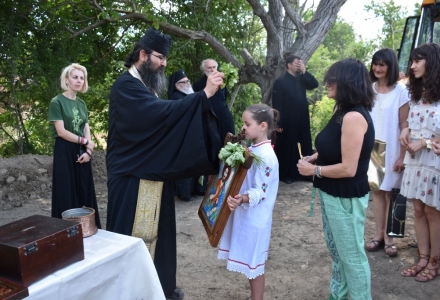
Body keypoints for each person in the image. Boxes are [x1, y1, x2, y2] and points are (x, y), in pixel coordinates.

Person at [106, 27, 224, 300]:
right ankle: (134, 291)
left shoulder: (145, 87)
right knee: (136, 236)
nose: (164, 64)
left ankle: (159, 286)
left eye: (165, 59)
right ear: (143, 54)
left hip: (151, 171)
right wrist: (202, 95)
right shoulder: (126, 85)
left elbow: (165, 120)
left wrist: (202, 99)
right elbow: (159, 114)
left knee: (159, 234)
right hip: (132, 176)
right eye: (160, 57)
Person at [298, 58, 375, 300]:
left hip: (346, 197)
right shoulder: (342, 111)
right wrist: (317, 157)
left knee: (351, 256)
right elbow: (337, 148)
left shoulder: (354, 117)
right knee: (338, 252)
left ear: (347, 82)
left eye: (332, 79)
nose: (327, 83)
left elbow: (349, 168)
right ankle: (338, 294)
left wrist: (315, 171)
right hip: (332, 194)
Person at [218, 104, 279, 300]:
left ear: (262, 126)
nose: (242, 128)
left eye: (247, 123)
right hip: (245, 213)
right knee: (251, 262)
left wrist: (242, 198)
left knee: (256, 263)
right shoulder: (251, 148)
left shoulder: (267, 155)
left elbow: (262, 190)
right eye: (242, 123)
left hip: (256, 218)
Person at [399, 43, 440, 282]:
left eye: (417, 61)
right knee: (418, 210)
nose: (412, 66)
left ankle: (435, 262)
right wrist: (404, 131)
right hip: (413, 158)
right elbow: (406, 123)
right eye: (412, 62)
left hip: (433, 159)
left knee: (433, 213)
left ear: (432, 62)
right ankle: (423, 258)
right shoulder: (415, 92)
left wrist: (424, 143)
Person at [364, 49, 410, 257]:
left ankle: (391, 238)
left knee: (393, 193)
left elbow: (404, 125)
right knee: (377, 193)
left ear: (391, 66)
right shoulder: (369, 89)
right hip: (374, 149)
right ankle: (378, 234)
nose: (378, 68)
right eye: (375, 64)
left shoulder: (402, 91)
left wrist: (402, 156)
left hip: (392, 149)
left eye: (383, 64)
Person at [48, 63, 101, 228]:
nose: (79, 80)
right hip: (64, 150)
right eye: (75, 77)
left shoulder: (82, 104)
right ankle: (66, 232)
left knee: (85, 190)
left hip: (81, 151)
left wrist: (89, 151)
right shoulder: (57, 102)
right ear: (66, 79)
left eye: (81, 78)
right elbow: (61, 131)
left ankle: (88, 228)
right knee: (66, 191)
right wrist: (85, 142)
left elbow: (86, 127)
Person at [271, 53, 319, 184]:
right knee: (288, 146)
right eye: (297, 63)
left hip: (302, 117)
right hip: (288, 119)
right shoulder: (280, 81)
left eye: (300, 63)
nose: (299, 65)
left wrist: (304, 71)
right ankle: (287, 174)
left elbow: (314, 84)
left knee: (306, 143)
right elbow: (277, 103)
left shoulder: (301, 78)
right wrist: (278, 122)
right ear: (289, 65)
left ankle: (307, 174)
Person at [193, 59, 235, 194]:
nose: (212, 70)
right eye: (209, 68)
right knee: (212, 148)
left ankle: (227, 179)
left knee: (227, 145)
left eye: (213, 67)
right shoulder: (199, 84)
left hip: (224, 119)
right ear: (204, 70)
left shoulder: (222, 81)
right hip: (209, 121)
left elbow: (224, 98)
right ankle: (208, 183)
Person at [168, 69, 196, 202]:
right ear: (176, 85)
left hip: (189, 134)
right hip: (181, 136)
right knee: (184, 164)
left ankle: (187, 191)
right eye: (183, 82)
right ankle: (184, 193)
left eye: (187, 81)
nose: (187, 83)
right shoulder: (175, 98)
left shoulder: (187, 95)